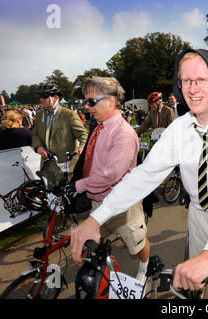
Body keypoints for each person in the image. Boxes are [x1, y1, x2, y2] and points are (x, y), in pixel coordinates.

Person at [70, 49, 208, 299]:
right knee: (206, 276)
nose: (192, 88)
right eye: (186, 81)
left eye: (201, 80)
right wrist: (95, 219)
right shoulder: (179, 129)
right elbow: (144, 175)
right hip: (199, 217)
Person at [68, 76, 150, 282]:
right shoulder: (99, 128)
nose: (87, 107)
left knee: (137, 243)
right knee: (93, 243)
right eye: (86, 101)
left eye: (91, 101)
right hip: (99, 202)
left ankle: (144, 268)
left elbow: (111, 174)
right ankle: (103, 277)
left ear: (111, 101)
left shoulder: (123, 133)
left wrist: (78, 185)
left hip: (123, 205)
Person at [31, 84, 88, 185]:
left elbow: (83, 134)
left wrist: (82, 147)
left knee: (65, 197)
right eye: (40, 97)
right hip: (47, 164)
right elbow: (35, 134)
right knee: (49, 196)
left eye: (44, 96)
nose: (41, 99)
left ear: (56, 98)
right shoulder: (39, 114)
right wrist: (38, 146)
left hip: (65, 164)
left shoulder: (69, 114)